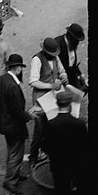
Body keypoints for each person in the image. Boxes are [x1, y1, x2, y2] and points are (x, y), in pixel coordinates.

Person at [41, 89, 89, 195]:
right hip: (76, 165)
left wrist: (54, 155)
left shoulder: (51, 124)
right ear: (69, 105)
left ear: (57, 104)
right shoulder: (79, 124)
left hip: (58, 165)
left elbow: (45, 146)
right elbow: (85, 146)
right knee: (81, 190)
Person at [0, 53, 33, 194]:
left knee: (12, 150)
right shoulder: (13, 87)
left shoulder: (2, 79)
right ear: (18, 68)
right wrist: (29, 116)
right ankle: (10, 181)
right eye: (21, 68)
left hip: (4, 123)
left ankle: (15, 173)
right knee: (16, 153)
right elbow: (17, 111)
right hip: (13, 125)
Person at [28, 37, 68, 166]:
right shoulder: (37, 60)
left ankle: (47, 150)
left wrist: (64, 76)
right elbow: (33, 82)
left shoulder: (55, 57)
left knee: (51, 125)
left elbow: (61, 70)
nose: (53, 56)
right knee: (39, 129)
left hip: (53, 97)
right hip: (40, 99)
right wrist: (51, 86)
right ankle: (33, 157)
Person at [54, 23, 88, 93]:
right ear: (70, 37)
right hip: (60, 80)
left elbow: (72, 63)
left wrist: (80, 74)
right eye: (77, 40)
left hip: (71, 76)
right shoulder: (57, 44)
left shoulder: (72, 44)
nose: (78, 43)